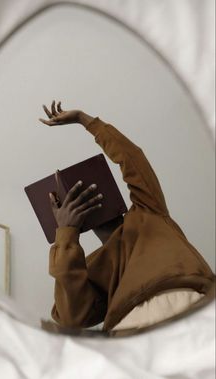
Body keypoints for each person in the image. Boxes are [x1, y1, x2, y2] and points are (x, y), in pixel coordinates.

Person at [39, 101, 216, 331]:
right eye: (78, 207)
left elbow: (133, 159)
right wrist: (66, 232)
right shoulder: (91, 266)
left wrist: (85, 120)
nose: (88, 206)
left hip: (190, 301)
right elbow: (71, 317)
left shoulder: (148, 211)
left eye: (92, 196)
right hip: (129, 330)